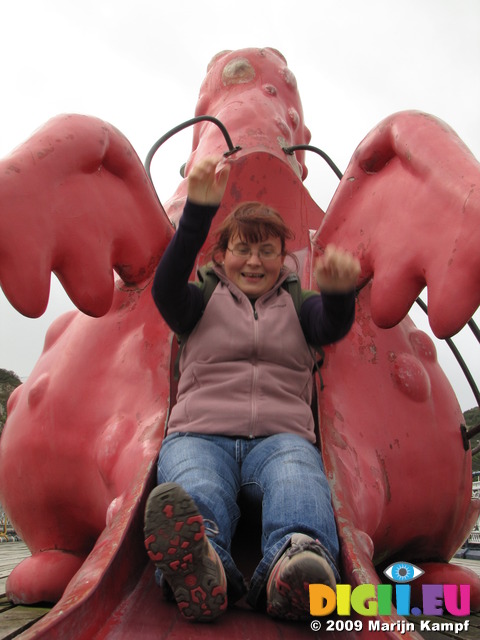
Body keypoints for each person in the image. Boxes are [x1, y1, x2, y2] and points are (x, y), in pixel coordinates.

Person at [145, 156, 360, 622]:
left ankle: (297, 565)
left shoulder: (299, 306)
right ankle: (204, 566)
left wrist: (340, 295)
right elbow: (164, 288)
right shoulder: (200, 300)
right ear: (221, 255)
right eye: (243, 249)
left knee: (298, 480)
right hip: (200, 433)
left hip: (279, 437)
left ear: (283, 259)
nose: (255, 261)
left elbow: (330, 325)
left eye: (267, 251)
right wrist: (198, 212)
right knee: (196, 484)